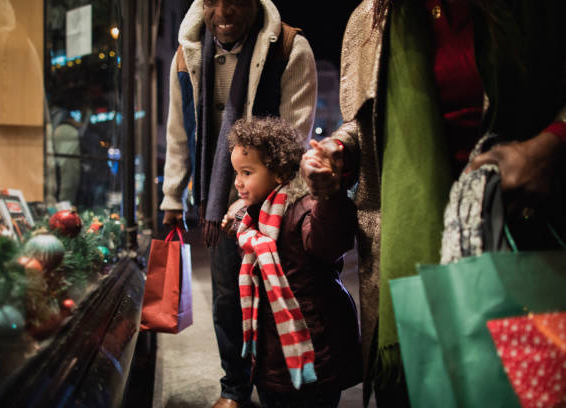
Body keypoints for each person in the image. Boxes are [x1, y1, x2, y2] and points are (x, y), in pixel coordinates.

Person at [301, 1, 566, 406]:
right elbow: (367, 123)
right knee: (416, 388)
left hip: (520, 236)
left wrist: (552, 145)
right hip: (411, 251)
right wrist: (339, 150)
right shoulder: (371, 19)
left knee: (519, 389)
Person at [160, 1, 317, 407]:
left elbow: (294, 137)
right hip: (218, 204)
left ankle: (282, 388)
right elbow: (180, 133)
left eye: (235, 0)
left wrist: (259, 202)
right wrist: (172, 195)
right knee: (229, 299)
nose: (224, 11)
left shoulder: (289, 47)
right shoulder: (187, 54)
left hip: (275, 203)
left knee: (278, 296)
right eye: (213, 1)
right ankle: (234, 389)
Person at [221, 117, 363, 408]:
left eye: (246, 172)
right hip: (269, 355)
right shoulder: (251, 217)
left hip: (314, 349)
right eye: (236, 172)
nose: (237, 181)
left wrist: (328, 194)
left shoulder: (306, 208)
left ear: (278, 173)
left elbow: (329, 241)